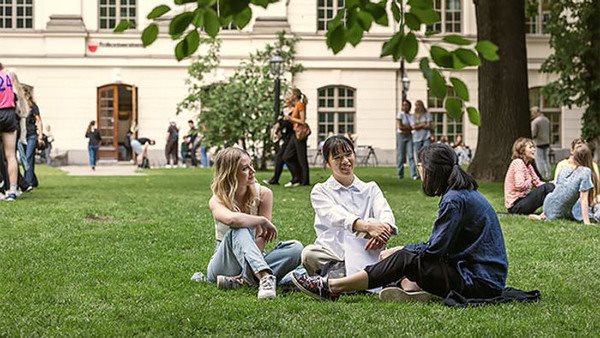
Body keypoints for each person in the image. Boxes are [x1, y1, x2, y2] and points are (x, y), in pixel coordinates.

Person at [292, 143, 508, 303]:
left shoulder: (454, 200)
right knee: (407, 258)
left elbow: (434, 249)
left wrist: (399, 248)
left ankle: (332, 286)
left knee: (406, 257)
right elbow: (441, 247)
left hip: (479, 281)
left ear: (433, 171)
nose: (421, 172)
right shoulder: (461, 194)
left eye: (422, 167)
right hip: (481, 275)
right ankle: (408, 286)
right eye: (337, 157)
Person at [205, 147, 303, 299]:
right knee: (239, 228)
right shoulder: (217, 199)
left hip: (255, 255)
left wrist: (250, 265)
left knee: (296, 248)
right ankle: (264, 277)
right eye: (245, 168)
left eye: (251, 165)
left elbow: (262, 237)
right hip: (224, 264)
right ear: (230, 173)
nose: (252, 171)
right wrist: (261, 220)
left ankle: (244, 280)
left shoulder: (264, 194)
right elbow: (232, 220)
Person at [301, 135, 397, 283]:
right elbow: (335, 215)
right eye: (338, 157)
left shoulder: (370, 188)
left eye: (348, 154)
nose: (345, 161)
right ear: (327, 163)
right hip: (332, 253)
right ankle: (364, 276)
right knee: (309, 254)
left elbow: (384, 212)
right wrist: (368, 227)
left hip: (365, 251)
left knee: (397, 254)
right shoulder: (320, 191)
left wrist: (383, 231)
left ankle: (337, 277)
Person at [531, 144, 598, 224]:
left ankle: (544, 215)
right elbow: (583, 198)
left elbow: (558, 191)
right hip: (561, 211)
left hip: (548, 202)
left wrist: (545, 211)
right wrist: (587, 222)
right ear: (588, 157)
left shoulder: (565, 168)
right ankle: (547, 216)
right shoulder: (585, 172)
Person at [504, 137, 555, 214]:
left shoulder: (528, 165)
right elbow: (520, 185)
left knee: (549, 186)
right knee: (547, 187)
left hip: (523, 201)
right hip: (515, 206)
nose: (534, 149)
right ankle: (556, 211)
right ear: (522, 150)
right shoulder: (518, 163)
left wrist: (553, 183)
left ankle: (555, 210)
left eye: (533, 147)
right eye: (530, 147)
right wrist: (530, 181)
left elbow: (538, 183)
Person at [553, 139, 600, 222]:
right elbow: (558, 188)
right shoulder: (563, 166)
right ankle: (591, 215)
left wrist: (596, 197)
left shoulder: (592, 166)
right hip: (575, 202)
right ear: (572, 151)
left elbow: (597, 187)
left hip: (592, 201)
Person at [264, 94, 294, 185]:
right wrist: (276, 130)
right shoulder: (283, 111)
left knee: (285, 157)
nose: (285, 100)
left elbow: (292, 124)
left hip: (292, 137)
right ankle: (275, 179)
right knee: (280, 157)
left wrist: (287, 120)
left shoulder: (294, 110)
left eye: (287, 99)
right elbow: (279, 123)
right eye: (285, 99)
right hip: (285, 138)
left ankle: (296, 178)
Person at [282, 87, 310, 186]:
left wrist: (290, 118)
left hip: (300, 134)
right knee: (286, 156)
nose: (289, 95)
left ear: (294, 95)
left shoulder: (300, 105)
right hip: (295, 133)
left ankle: (304, 181)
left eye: (291, 94)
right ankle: (297, 178)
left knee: (302, 158)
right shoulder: (296, 105)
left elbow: (302, 121)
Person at [0, 65, 20, 201]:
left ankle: (1, 190)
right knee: (11, 155)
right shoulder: (7, 76)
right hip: (9, 114)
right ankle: (12, 191)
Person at [23, 90, 43, 188]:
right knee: (27, 159)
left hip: (32, 135)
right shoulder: (19, 106)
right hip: (22, 136)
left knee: (28, 157)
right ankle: (33, 181)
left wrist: (40, 136)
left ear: (27, 95)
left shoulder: (33, 106)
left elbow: (39, 121)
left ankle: (27, 183)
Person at [396, 99, 417, 180]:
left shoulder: (411, 116)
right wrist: (408, 128)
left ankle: (414, 174)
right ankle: (400, 174)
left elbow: (413, 127)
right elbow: (400, 127)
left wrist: (406, 127)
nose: (405, 107)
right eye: (403, 105)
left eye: (406, 105)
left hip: (409, 136)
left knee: (411, 155)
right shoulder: (400, 114)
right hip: (401, 136)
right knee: (401, 156)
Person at [411, 100, 432, 178]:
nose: (418, 107)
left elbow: (429, 126)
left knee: (427, 155)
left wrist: (418, 126)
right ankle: (419, 173)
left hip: (426, 137)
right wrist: (423, 124)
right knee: (418, 156)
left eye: (419, 105)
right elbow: (413, 127)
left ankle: (427, 172)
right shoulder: (413, 116)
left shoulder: (427, 114)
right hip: (416, 139)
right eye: (416, 105)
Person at [531, 106, 552, 180]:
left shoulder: (535, 122)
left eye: (533, 113)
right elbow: (550, 132)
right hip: (547, 142)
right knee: (546, 160)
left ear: (536, 112)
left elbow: (533, 133)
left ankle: (542, 175)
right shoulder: (547, 120)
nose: (532, 114)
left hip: (538, 143)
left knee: (539, 160)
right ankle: (548, 175)